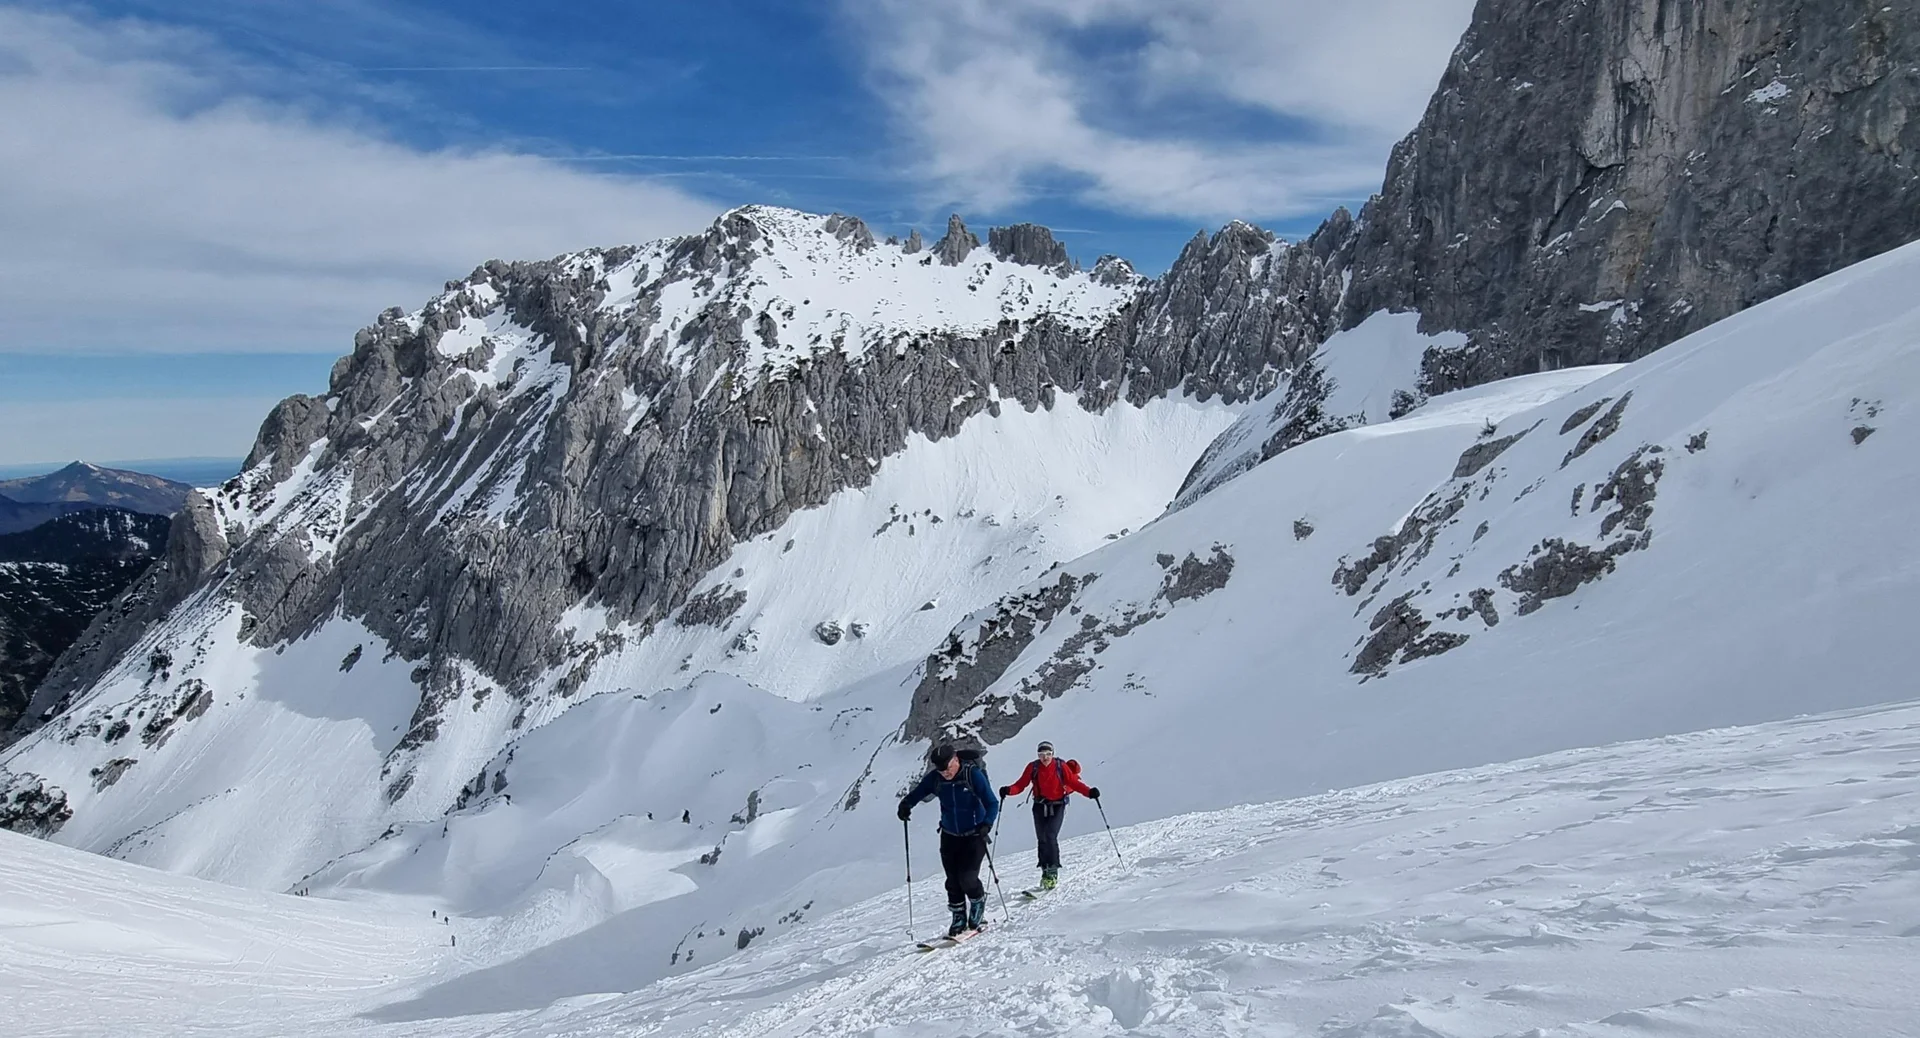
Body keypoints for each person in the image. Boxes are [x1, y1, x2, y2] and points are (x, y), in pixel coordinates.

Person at [898, 744, 999, 937]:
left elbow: (991, 802)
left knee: (967, 877)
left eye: (947, 768)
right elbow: (919, 792)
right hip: (949, 835)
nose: (944, 773)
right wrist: (906, 804)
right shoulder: (936, 778)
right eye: (940, 769)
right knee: (952, 881)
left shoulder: (973, 775)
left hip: (975, 834)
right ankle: (958, 917)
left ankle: (978, 904)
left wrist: (986, 823)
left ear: (955, 760)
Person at [999, 740, 1098, 890]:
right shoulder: (1033, 767)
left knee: (1050, 835)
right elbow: (1021, 784)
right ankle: (1045, 871)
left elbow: (1073, 782)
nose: (1045, 757)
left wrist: (1089, 792)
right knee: (1041, 838)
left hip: (1058, 805)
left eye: (1048, 754)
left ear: (1053, 754)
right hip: (1039, 805)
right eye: (1041, 754)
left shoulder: (1060, 766)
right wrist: (1008, 790)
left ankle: (1052, 872)